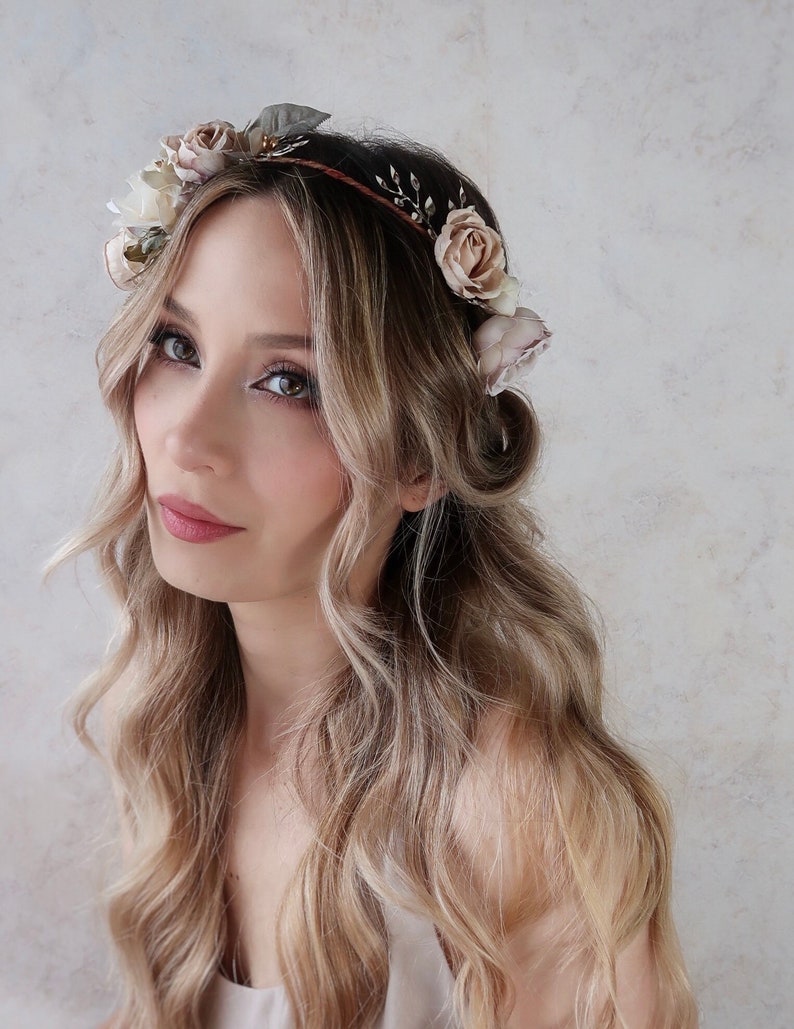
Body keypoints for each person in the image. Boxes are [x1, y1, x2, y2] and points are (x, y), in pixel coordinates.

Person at [61, 104, 697, 1028]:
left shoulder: (510, 802)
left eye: (289, 383)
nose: (188, 437)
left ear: (420, 462)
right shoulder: (172, 729)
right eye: (176, 345)